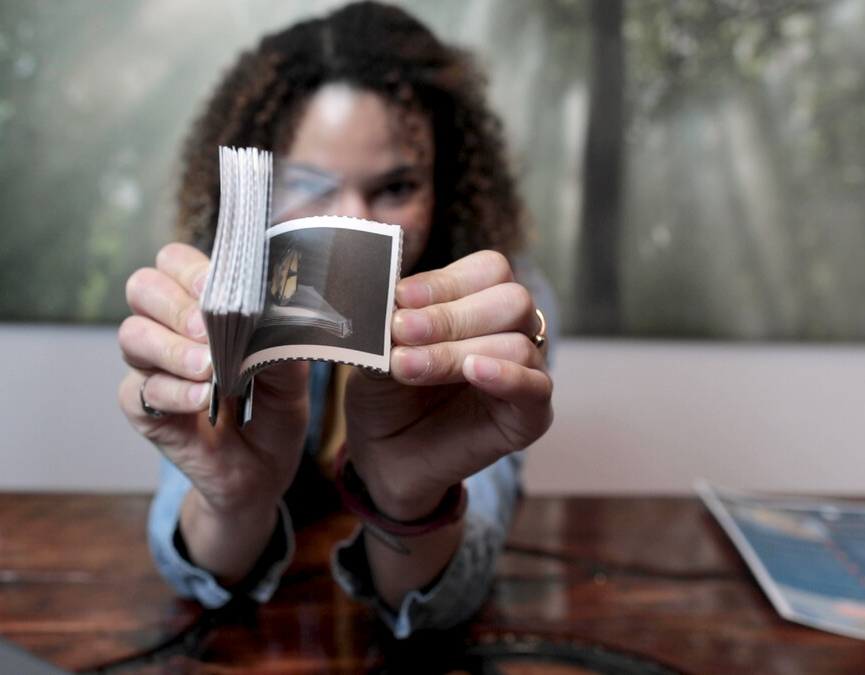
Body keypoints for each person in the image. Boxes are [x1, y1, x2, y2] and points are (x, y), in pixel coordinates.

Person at [118, 1, 554, 639]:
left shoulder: (501, 306)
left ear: (446, 185)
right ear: (262, 188)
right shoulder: (224, 297)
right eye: (311, 183)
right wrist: (232, 501)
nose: (358, 224)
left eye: (397, 187)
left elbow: (459, 583)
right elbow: (195, 566)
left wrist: (409, 498)